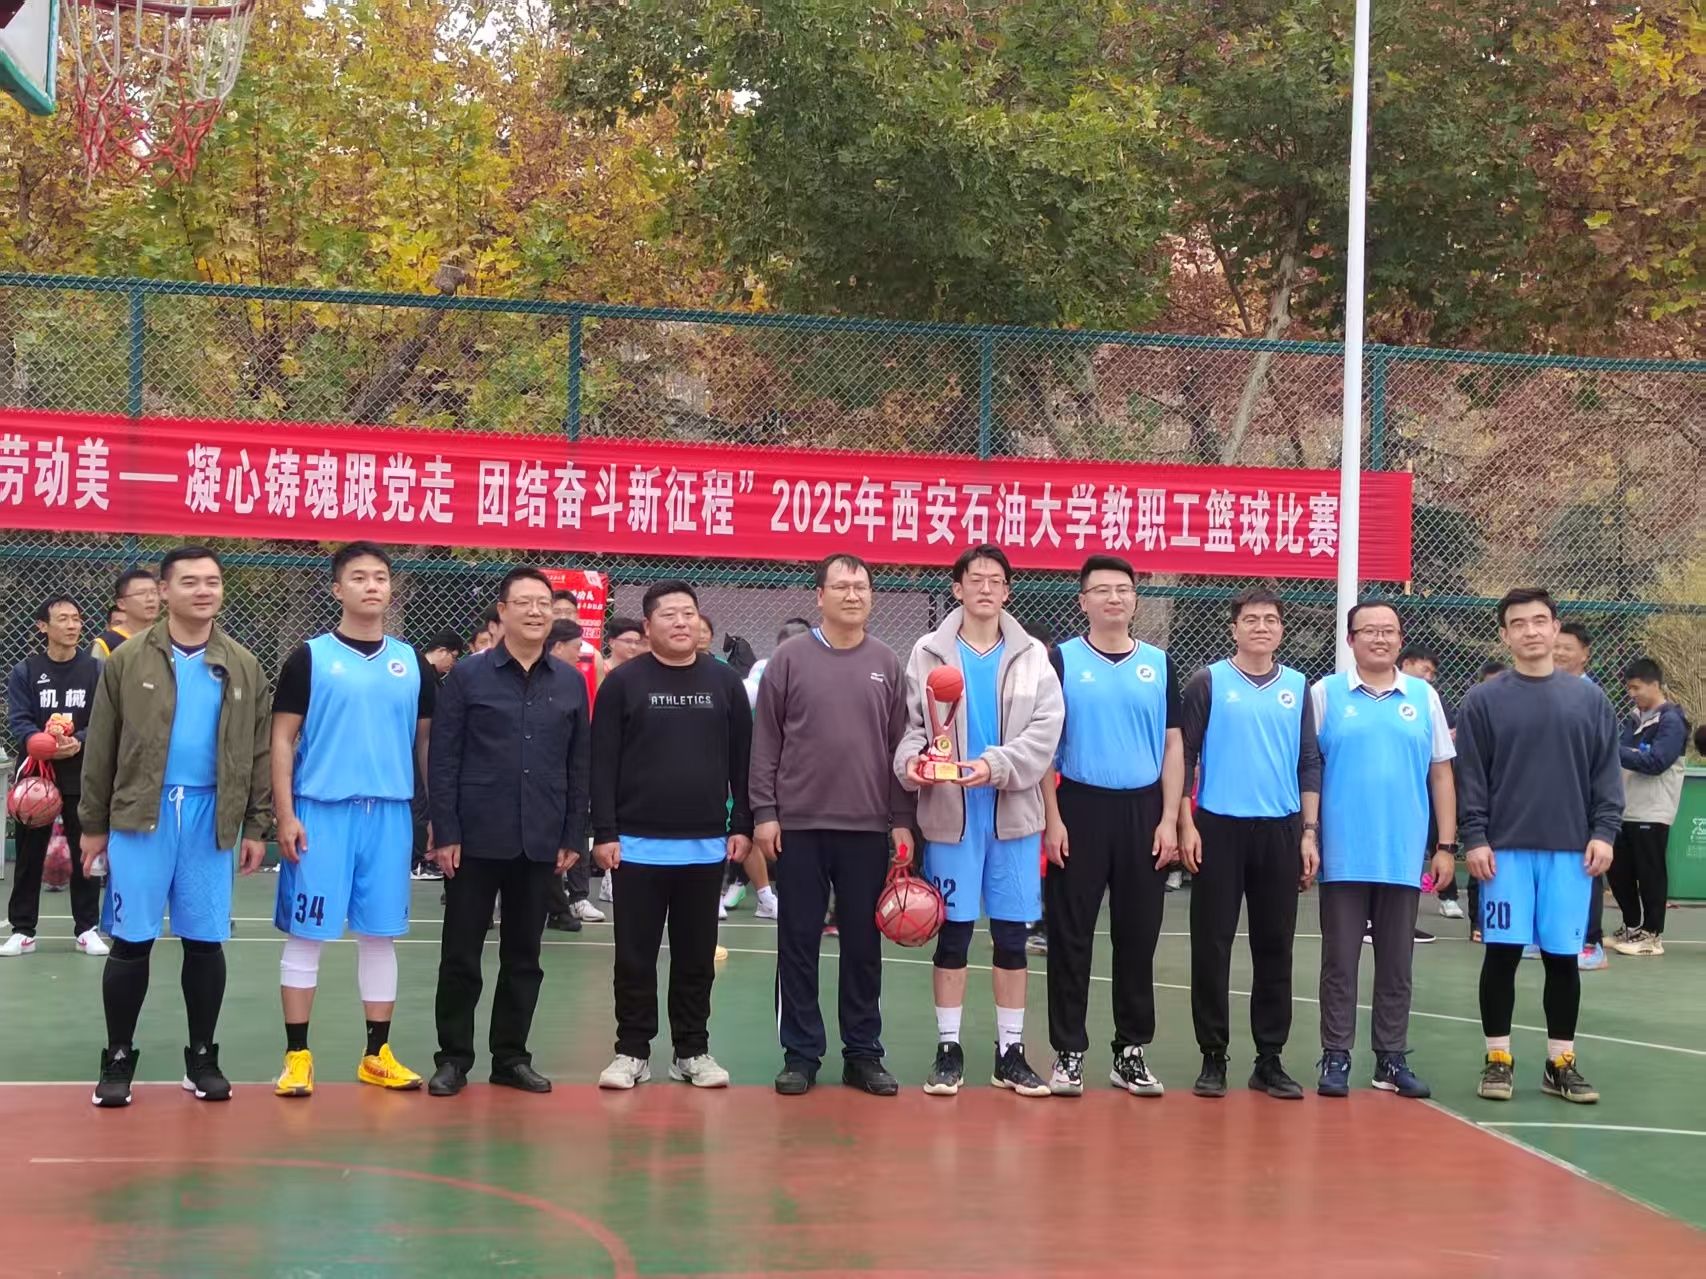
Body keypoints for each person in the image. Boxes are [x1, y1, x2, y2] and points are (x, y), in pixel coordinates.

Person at [78, 546, 271, 1107]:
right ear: (164, 592)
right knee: (131, 941)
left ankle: (203, 1057)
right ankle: (118, 1058)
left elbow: (259, 750)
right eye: (190, 581)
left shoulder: (242, 664)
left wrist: (255, 825)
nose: (204, 590)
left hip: (211, 818)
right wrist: (93, 824)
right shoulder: (127, 659)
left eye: (212, 581)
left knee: (205, 942)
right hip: (142, 815)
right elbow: (101, 746)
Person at [268, 542, 435, 1099]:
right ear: (337, 589)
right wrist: (285, 813)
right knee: (307, 935)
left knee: (379, 935)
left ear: (391, 588)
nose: (372, 586)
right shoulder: (309, 658)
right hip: (321, 811)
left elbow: (427, 745)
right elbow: (282, 739)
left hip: (389, 814)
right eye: (359, 577)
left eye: (380, 577)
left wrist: (436, 815)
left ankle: (376, 1054)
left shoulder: (412, 663)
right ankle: (297, 1057)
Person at [897, 545, 1064, 1099]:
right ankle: (948, 1049)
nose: (986, 588)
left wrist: (995, 765)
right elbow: (912, 727)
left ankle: (1010, 1053)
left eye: (996, 580)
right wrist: (913, 762)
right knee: (955, 935)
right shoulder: (928, 652)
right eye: (976, 579)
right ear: (957, 588)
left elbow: (1046, 731)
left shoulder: (1033, 656)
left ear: (1008, 591)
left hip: (1012, 817)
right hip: (951, 817)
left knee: (1012, 937)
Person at [751, 552, 913, 1097]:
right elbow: (766, 743)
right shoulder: (789, 659)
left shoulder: (887, 662)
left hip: (867, 828)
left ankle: (863, 1053)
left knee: (863, 944)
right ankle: (800, 1054)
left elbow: (899, 748)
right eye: (841, 586)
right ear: (819, 596)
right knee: (798, 940)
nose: (852, 595)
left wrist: (901, 820)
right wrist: (765, 813)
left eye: (861, 586)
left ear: (871, 596)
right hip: (799, 825)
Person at [427, 567, 590, 1097]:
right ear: (502, 611)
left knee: (524, 957)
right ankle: (453, 1058)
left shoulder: (568, 681)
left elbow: (578, 764)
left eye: (544, 602)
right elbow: (444, 758)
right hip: (475, 838)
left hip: (539, 838)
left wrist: (572, 834)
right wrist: (445, 830)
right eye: (524, 602)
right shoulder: (468, 677)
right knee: (461, 956)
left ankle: (511, 1057)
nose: (536, 611)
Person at [1458, 588, 1621, 1105]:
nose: (1530, 631)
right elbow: (1471, 778)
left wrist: (1604, 832)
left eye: (1539, 621)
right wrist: (1475, 837)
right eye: (1518, 623)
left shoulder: (1590, 701)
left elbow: (1606, 773)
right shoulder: (1483, 700)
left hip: (1571, 852)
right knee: (1502, 954)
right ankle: (1498, 1059)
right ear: (1504, 635)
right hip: (1504, 851)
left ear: (1555, 628)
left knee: (1562, 958)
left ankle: (1560, 1062)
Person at [593, 580, 753, 1090]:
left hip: (705, 846)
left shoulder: (724, 682)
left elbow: (743, 762)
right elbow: (602, 762)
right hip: (635, 846)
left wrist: (742, 824)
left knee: (695, 957)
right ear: (647, 626)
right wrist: (604, 831)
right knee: (633, 957)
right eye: (669, 614)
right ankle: (631, 1051)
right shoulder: (623, 682)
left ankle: (692, 1051)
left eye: (689, 613)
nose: (681, 622)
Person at [1038, 556, 1182, 1097]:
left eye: (1123, 589)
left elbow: (1173, 745)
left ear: (1135, 599)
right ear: (1083, 601)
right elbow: (1044, 746)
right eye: (1102, 590)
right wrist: (1053, 819)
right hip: (1079, 805)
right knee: (1070, 935)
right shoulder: (1061, 660)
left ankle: (1130, 1051)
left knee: (1138, 936)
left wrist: (1169, 819)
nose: (1114, 598)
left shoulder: (1159, 663)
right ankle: (1069, 1052)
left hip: (1143, 811)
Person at [1178, 587, 1321, 1101]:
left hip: (1280, 829)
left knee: (1275, 946)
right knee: (1211, 945)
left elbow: (1308, 760)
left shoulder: (1297, 686)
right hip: (1219, 827)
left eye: (1271, 620)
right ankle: (1212, 1055)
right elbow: (1185, 754)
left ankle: (1269, 1058)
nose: (1262, 627)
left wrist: (1309, 831)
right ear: (1234, 628)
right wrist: (1186, 821)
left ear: (1282, 630)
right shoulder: (1209, 681)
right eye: (1251, 619)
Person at [1313, 603, 1457, 1099]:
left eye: (1389, 631)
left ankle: (1390, 1059)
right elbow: (1308, 769)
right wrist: (1308, 835)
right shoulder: (1325, 694)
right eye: (1369, 630)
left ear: (1400, 638)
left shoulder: (1423, 695)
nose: (1380, 638)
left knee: (1397, 963)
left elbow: (1441, 773)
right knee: (1340, 962)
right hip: (1342, 852)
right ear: (1350, 639)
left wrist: (1445, 845)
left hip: (1401, 853)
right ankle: (1336, 1054)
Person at [3, 595, 105, 958]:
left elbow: (105, 719)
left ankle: (87, 929)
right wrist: (38, 742)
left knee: (84, 852)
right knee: (29, 854)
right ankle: (23, 930)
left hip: (82, 773)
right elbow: (18, 719)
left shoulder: (96, 671)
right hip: (37, 777)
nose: (73, 625)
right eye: (63, 619)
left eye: (76, 618)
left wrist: (79, 741)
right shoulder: (26, 671)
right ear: (43, 626)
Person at [1607, 658, 1688, 956]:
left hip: (1652, 811)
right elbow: (1628, 755)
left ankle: (1652, 935)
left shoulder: (1672, 721)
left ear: (1655, 684)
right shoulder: (1634, 718)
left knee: (1650, 873)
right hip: (1625, 808)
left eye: (1636, 687)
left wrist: (1613, 750)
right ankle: (1632, 927)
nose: (1632, 694)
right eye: (1628, 688)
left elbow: (1656, 762)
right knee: (1619, 871)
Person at [1552, 620, 1610, 970]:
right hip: (1548, 802)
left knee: (1588, 867)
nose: (1558, 652)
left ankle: (1591, 943)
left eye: (1567, 648)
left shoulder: (1593, 698)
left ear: (1585, 654)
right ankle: (1552, 938)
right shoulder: (1541, 690)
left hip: (1583, 803)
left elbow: (1603, 760)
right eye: (1555, 645)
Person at [543, 619, 604, 931]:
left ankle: (569, 902)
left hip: (566, 779)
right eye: (576, 647)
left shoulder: (574, 681)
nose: (580, 654)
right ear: (557, 646)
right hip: (544, 782)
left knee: (571, 837)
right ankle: (559, 907)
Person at [1400, 645, 1463, 924]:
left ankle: (1447, 896)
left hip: (1428, 779)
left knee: (1438, 834)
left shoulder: (1431, 697)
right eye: (1425, 669)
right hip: (1397, 785)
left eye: (1432, 673)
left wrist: (1450, 734)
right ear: (1407, 663)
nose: (1429, 677)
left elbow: (1448, 735)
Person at [91, 568, 160, 659]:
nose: (151, 598)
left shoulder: (166, 638)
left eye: (154, 592)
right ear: (121, 604)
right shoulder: (107, 644)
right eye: (141, 593)